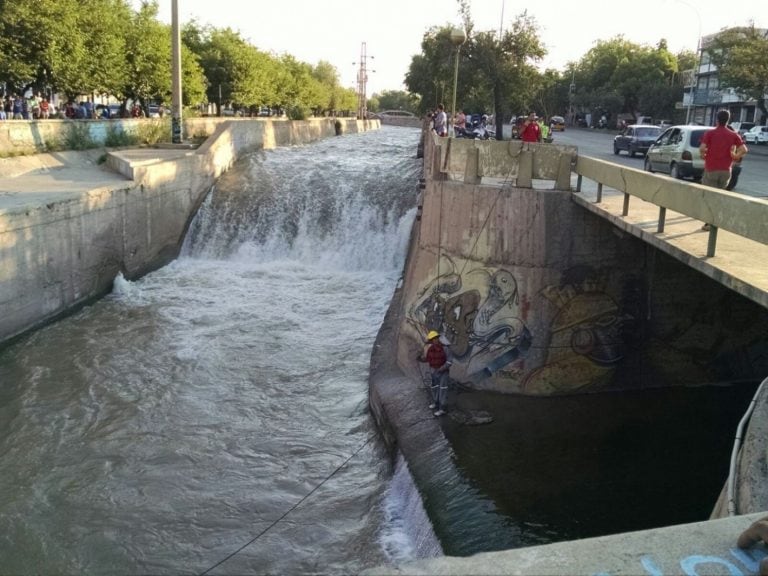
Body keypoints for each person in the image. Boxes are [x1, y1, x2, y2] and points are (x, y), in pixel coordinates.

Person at [699, 109, 748, 230]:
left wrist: (703, 156)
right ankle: (715, 222)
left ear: (717, 119)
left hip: (711, 169)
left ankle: (709, 223)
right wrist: (735, 156)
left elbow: (702, 148)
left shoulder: (710, 133)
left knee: (710, 196)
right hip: (726, 170)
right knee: (719, 196)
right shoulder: (733, 135)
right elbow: (744, 149)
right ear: (728, 120)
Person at [417, 330, 453, 417]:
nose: (435, 340)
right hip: (433, 372)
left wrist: (442, 368)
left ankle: (442, 409)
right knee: (435, 388)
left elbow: (449, 361)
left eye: (436, 338)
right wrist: (420, 359)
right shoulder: (430, 349)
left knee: (442, 389)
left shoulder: (445, 348)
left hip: (443, 373)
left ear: (438, 338)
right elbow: (428, 359)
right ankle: (436, 404)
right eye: (433, 339)